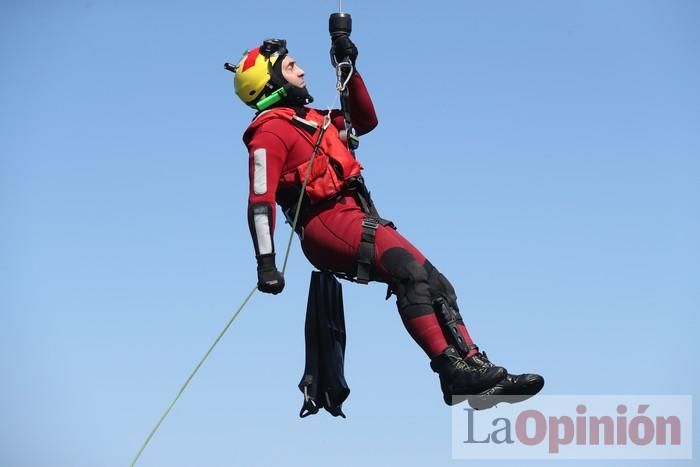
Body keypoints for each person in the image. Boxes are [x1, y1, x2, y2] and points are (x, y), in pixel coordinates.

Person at [227, 36, 543, 408]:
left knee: (436, 282)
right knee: (407, 271)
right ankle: (450, 369)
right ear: (271, 82)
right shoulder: (269, 131)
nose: (301, 69)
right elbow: (259, 200)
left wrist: (350, 69)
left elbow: (365, 120)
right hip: (324, 223)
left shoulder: (314, 120)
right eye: (291, 66)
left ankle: (473, 365)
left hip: (356, 213)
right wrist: (266, 263)